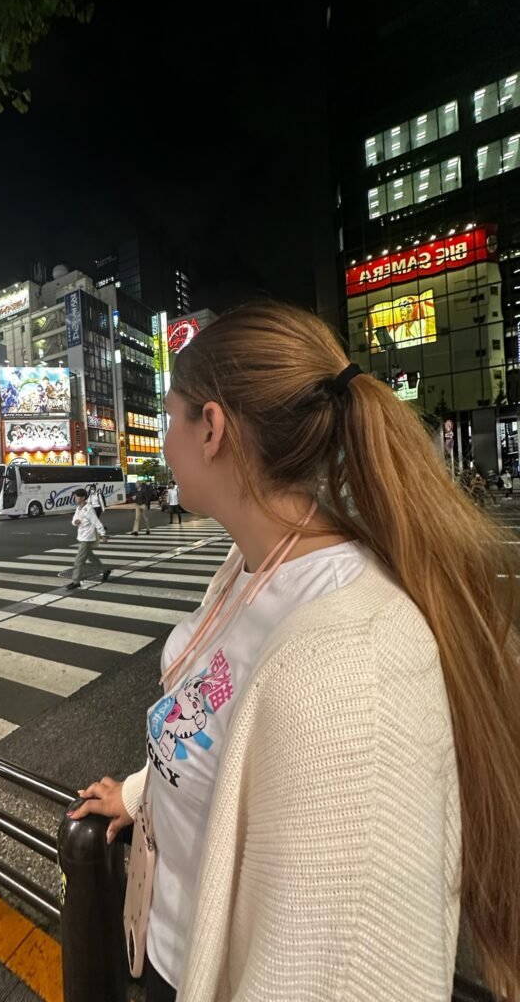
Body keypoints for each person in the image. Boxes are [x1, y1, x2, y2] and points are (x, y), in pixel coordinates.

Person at [71, 302, 520, 1002]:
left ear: (211, 427)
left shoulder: (358, 670)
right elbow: (218, 725)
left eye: (169, 417)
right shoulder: (253, 563)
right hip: (170, 955)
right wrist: (143, 791)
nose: (162, 442)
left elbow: (347, 970)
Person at [66, 489, 111, 590]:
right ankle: (105, 570)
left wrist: (103, 534)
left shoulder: (89, 509)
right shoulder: (79, 508)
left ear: (82, 498)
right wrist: (75, 522)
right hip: (82, 537)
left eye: (76, 496)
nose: (74, 498)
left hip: (87, 538)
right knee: (91, 557)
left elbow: (96, 522)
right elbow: (73, 519)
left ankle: (76, 581)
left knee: (78, 561)